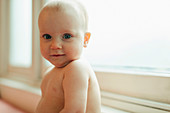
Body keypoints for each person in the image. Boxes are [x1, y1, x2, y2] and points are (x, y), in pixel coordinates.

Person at [36, 0, 101, 113]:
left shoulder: (77, 68)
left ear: (85, 40)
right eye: (47, 36)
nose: (55, 45)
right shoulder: (50, 72)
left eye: (66, 36)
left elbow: (75, 111)